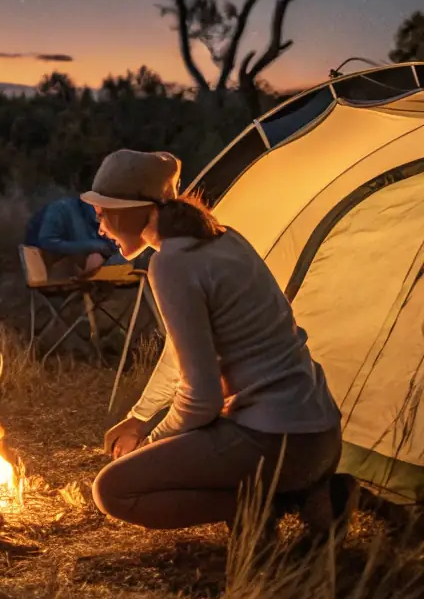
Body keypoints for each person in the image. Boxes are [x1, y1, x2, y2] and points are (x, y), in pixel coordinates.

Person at [87, 150, 356, 543]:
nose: (100, 226)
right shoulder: (225, 238)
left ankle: (267, 505)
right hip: (322, 437)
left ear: (139, 210)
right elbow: (182, 357)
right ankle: (315, 492)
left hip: (275, 442)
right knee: (207, 434)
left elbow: (202, 398)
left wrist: (151, 445)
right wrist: (140, 417)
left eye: (105, 212)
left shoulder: (172, 264)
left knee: (113, 490)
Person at [25, 193, 122, 280]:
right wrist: (94, 246)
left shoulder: (99, 220)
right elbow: (46, 242)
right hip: (49, 266)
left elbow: (110, 247)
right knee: (95, 256)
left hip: (88, 270)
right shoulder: (61, 209)